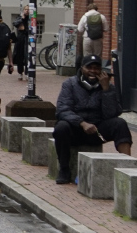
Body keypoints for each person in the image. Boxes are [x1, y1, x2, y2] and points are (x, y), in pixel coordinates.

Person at [54, 54, 133, 184]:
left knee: (120, 124)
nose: (93, 71)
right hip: (76, 129)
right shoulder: (70, 84)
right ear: (82, 68)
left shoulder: (108, 86)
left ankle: (127, 167)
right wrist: (82, 123)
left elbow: (112, 114)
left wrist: (106, 90)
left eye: (96, 68)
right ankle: (64, 169)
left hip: (97, 130)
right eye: (89, 68)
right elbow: (62, 109)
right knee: (61, 127)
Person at [10, 5, 30, 80]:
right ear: (23, 10)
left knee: (27, 56)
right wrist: (22, 18)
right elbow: (15, 23)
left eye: (28, 9)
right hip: (20, 39)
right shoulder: (20, 17)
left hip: (27, 39)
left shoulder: (31, 19)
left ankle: (27, 73)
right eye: (26, 9)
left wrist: (24, 28)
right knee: (20, 56)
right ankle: (20, 72)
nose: (27, 11)